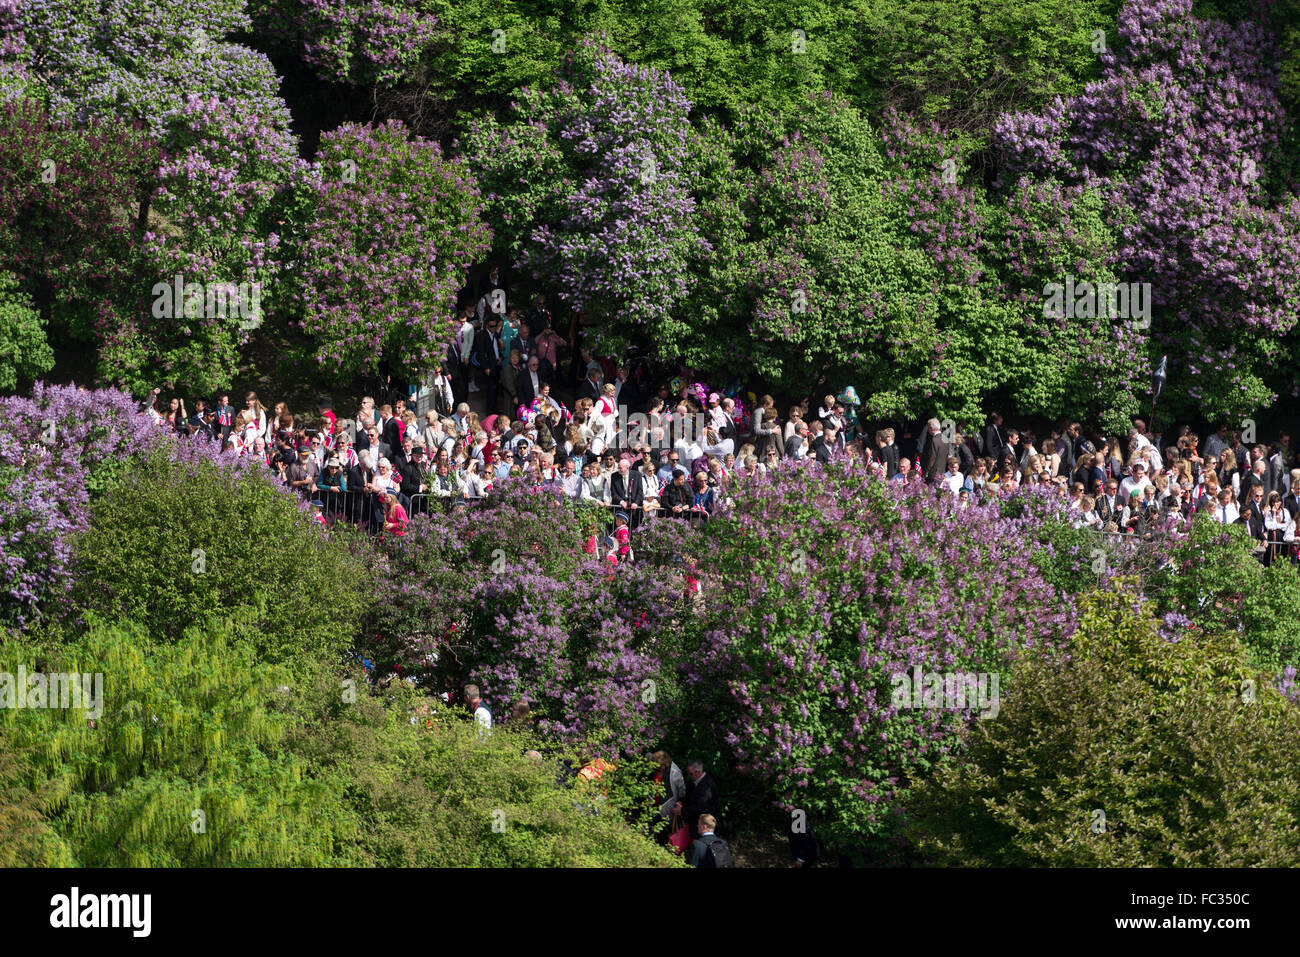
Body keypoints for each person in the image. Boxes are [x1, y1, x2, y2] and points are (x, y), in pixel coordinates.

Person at [675, 760, 720, 839]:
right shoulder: (695, 782)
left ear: (698, 772)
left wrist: (682, 810)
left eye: (691, 773)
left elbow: (701, 807)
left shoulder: (707, 786)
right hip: (697, 825)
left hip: (705, 827)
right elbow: (689, 797)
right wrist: (681, 802)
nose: (689, 775)